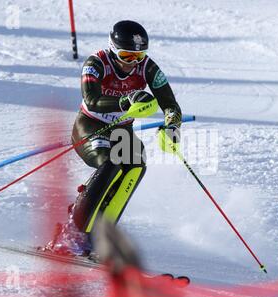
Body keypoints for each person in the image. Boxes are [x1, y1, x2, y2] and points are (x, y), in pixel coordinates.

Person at [45, 20, 182, 257]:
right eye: (127, 56)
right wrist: (125, 101)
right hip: (91, 126)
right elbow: (91, 99)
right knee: (111, 163)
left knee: (136, 167)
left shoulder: (147, 67)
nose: (133, 63)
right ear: (112, 48)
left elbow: (170, 104)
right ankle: (71, 233)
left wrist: (172, 125)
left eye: (139, 56)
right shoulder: (95, 63)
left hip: (122, 131)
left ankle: (101, 236)